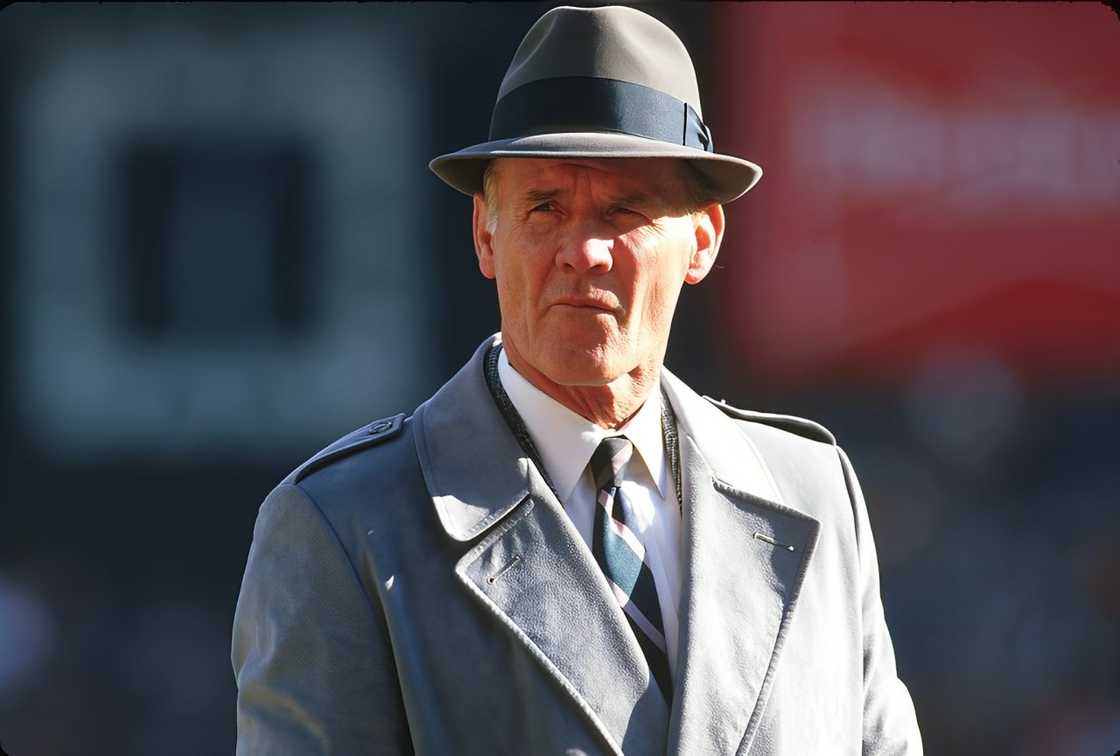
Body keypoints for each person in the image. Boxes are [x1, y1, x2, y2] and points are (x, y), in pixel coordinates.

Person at [231, 5, 922, 755]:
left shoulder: (812, 495)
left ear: (703, 239)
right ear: (485, 233)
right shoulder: (343, 528)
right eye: (544, 207)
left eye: (623, 210)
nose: (583, 250)